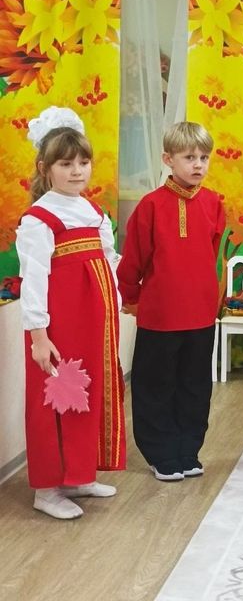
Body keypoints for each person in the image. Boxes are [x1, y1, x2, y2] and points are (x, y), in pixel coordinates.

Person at [16, 106, 126, 520]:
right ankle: (47, 488)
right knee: (56, 398)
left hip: (94, 325)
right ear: (45, 169)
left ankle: (78, 474)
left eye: (83, 162)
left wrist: (114, 307)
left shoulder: (93, 212)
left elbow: (108, 262)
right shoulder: (39, 219)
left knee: (87, 395)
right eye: (66, 164)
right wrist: (39, 336)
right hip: (59, 327)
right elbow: (34, 278)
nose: (77, 171)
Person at [117, 122, 225, 481]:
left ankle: (187, 450)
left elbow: (210, 255)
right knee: (155, 385)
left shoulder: (214, 203)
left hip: (201, 314)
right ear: (168, 159)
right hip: (160, 314)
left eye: (204, 157)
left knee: (195, 385)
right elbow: (133, 259)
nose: (198, 164)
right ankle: (160, 452)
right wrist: (132, 297)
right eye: (189, 157)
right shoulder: (150, 206)